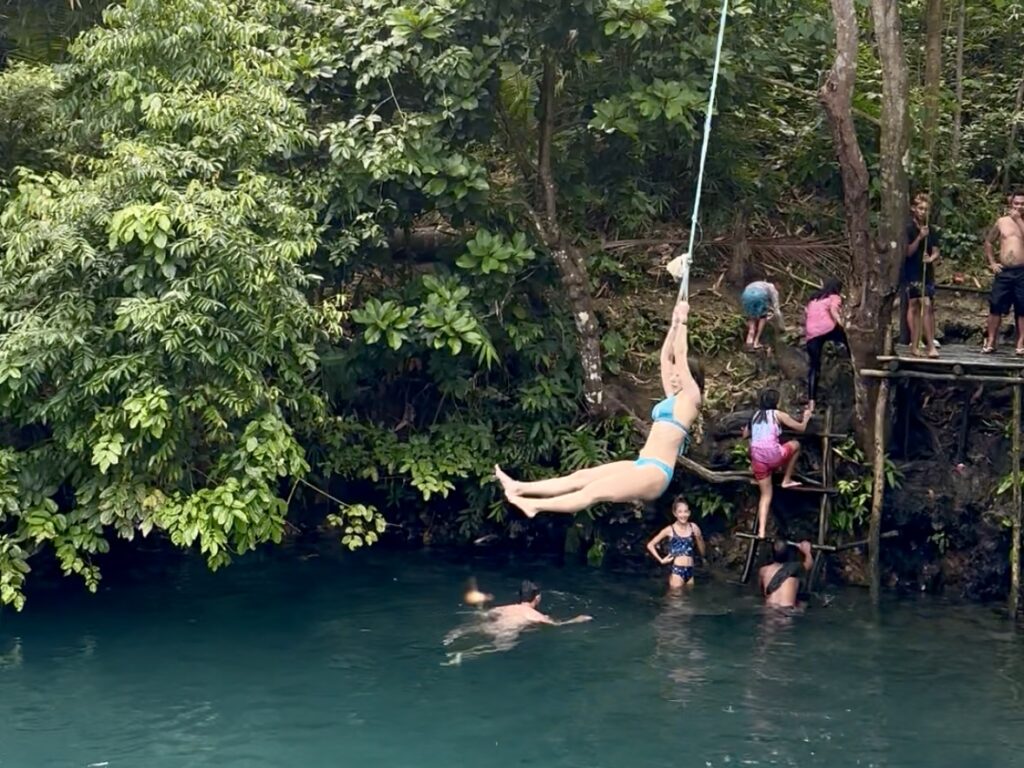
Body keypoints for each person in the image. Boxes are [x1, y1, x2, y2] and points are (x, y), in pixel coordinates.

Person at [496, 301, 702, 517]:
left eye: (678, 375)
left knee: (592, 492)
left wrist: (684, 320)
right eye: (673, 375)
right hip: (643, 463)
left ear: (691, 378)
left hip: (657, 472)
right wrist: (674, 325)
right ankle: (519, 487)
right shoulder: (673, 398)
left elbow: (680, 355)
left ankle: (534, 506)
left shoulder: (691, 399)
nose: (673, 377)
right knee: (580, 478)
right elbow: (666, 358)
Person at [443, 581, 592, 663]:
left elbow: (487, 613)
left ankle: (451, 637)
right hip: (506, 632)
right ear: (537, 598)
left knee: (473, 628)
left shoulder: (505, 608)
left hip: (490, 626)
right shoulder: (534, 615)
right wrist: (577, 620)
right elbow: (556, 626)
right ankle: (464, 655)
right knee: (497, 649)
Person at [744, 389, 812, 539]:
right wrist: (806, 417)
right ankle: (786, 479)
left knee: (765, 495)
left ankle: (761, 531)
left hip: (758, 460)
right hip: (774, 456)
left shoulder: (755, 416)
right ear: (776, 402)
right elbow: (801, 428)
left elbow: (745, 434)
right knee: (796, 445)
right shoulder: (778, 414)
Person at [983, 191, 1024, 354]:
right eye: (1016, 203)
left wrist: (1018, 220)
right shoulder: (1002, 221)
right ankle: (991, 340)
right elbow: (988, 241)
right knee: (996, 304)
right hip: (1005, 271)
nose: (1019, 206)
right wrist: (992, 262)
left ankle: (1020, 343)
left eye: (1022, 204)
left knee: (1022, 307)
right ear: (1011, 204)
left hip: (1022, 271)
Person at [902, 192, 940, 358]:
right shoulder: (909, 228)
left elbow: (936, 250)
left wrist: (930, 258)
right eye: (920, 208)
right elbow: (907, 252)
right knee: (916, 304)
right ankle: (916, 344)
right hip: (912, 271)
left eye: (926, 209)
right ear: (914, 209)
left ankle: (930, 344)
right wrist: (920, 237)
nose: (923, 212)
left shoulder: (931, 229)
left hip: (926, 272)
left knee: (927, 305)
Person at [645, 495, 706, 588]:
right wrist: (661, 560)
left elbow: (701, 546)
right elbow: (650, 545)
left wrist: (703, 555)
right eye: (680, 512)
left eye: (685, 511)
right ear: (675, 514)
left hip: (690, 570)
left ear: (689, 513)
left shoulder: (693, 527)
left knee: (689, 596)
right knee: (675, 596)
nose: (683, 515)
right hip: (677, 571)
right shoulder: (670, 529)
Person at [804, 278, 847, 405]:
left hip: (811, 333)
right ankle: (852, 358)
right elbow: (834, 311)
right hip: (828, 328)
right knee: (846, 338)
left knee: (814, 366)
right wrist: (843, 325)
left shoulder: (814, 300)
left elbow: (807, 314)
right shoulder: (834, 297)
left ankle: (811, 402)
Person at [759, 540, 813, 608]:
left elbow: (763, 591)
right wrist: (807, 552)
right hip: (787, 610)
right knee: (803, 604)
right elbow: (809, 564)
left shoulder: (763, 570)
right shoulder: (795, 568)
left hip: (769, 608)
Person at [741, 280, 783, 350]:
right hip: (760, 295)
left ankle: (749, 341)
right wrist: (781, 326)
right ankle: (756, 341)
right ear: (777, 284)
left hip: (746, 294)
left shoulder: (762, 284)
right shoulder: (773, 290)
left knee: (751, 317)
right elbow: (777, 311)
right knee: (763, 316)